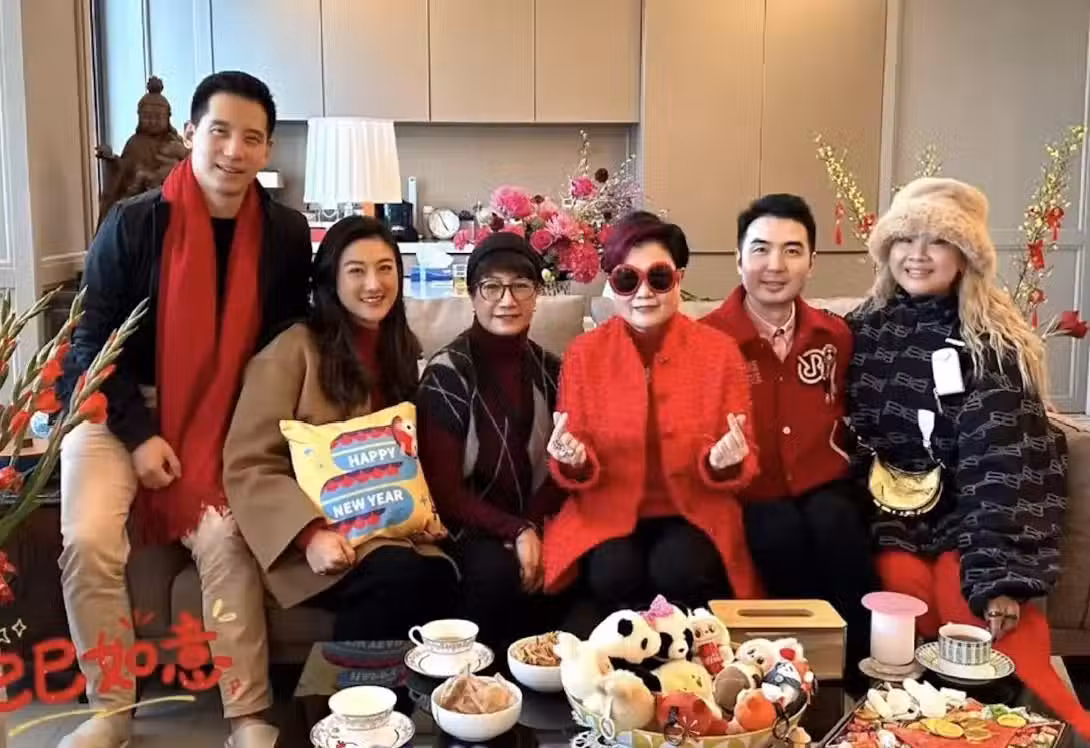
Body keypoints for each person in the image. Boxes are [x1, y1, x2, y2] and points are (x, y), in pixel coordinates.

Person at [55, 71, 311, 748]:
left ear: (267, 149)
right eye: (220, 131)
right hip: (118, 410)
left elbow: (288, 344)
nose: (234, 150)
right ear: (192, 133)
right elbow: (88, 346)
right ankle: (111, 709)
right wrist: (139, 436)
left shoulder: (285, 234)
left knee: (225, 539)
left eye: (251, 138)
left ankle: (247, 715)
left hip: (224, 416)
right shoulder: (134, 222)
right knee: (87, 538)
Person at [847, 177, 1090, 735]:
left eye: (938, 241)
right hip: (889, 514)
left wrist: (998, 576)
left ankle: (1038, 727)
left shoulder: (993, 345)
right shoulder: (860, 332)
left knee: (970, 610)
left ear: (966, 256)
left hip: (971, 517)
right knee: (899, 595)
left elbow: (1006, 466)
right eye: (905, 239)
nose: (918, 254)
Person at [224, 215, 458, 644]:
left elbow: (411, 450)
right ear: (331, 279)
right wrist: (309, 535)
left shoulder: (401, 349)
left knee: (449, 574)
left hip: (392, 531)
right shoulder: (293, 351)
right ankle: (354, 688)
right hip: (322, 538)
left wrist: (424, 513)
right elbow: (250, 463)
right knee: (396, 576)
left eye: (385, 268)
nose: (374, 284)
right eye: (356, 271)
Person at [542, 211, 761, 614]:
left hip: (694, 509)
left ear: (679, 279)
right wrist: (574, 460)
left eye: (658, 278)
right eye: (627, 279)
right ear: (611, 285)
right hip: (607, 508)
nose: (643, 292)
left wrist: (723, 462)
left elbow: (743, 455)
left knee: (678, 568)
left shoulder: (719, 352)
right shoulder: (584, 354)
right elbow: (575, 460)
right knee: (612, 572)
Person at [701, 194, 877, 663]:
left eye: (792, 250)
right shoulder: (707, 341)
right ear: (738, 258)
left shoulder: (835, 335)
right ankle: (793, 664)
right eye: (760, 249)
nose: (775, 265)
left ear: (811, 262)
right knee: (776, 530)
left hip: (823, 483)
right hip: (747, 491)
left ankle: (863, 669)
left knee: (837, 522)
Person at [416, 232, 568, 647]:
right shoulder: (448, 373)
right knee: (496, 574)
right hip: (467, 524)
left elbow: (562, 470)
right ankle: (478, 679)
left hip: (536, 517)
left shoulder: (553, 370)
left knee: (576, 564)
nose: (507, 300)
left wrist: (531, 526)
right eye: (492, 287)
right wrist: (516, 530)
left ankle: (549, 679)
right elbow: (444, 490)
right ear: (472, 295)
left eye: (521, 286)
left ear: (537, 295)